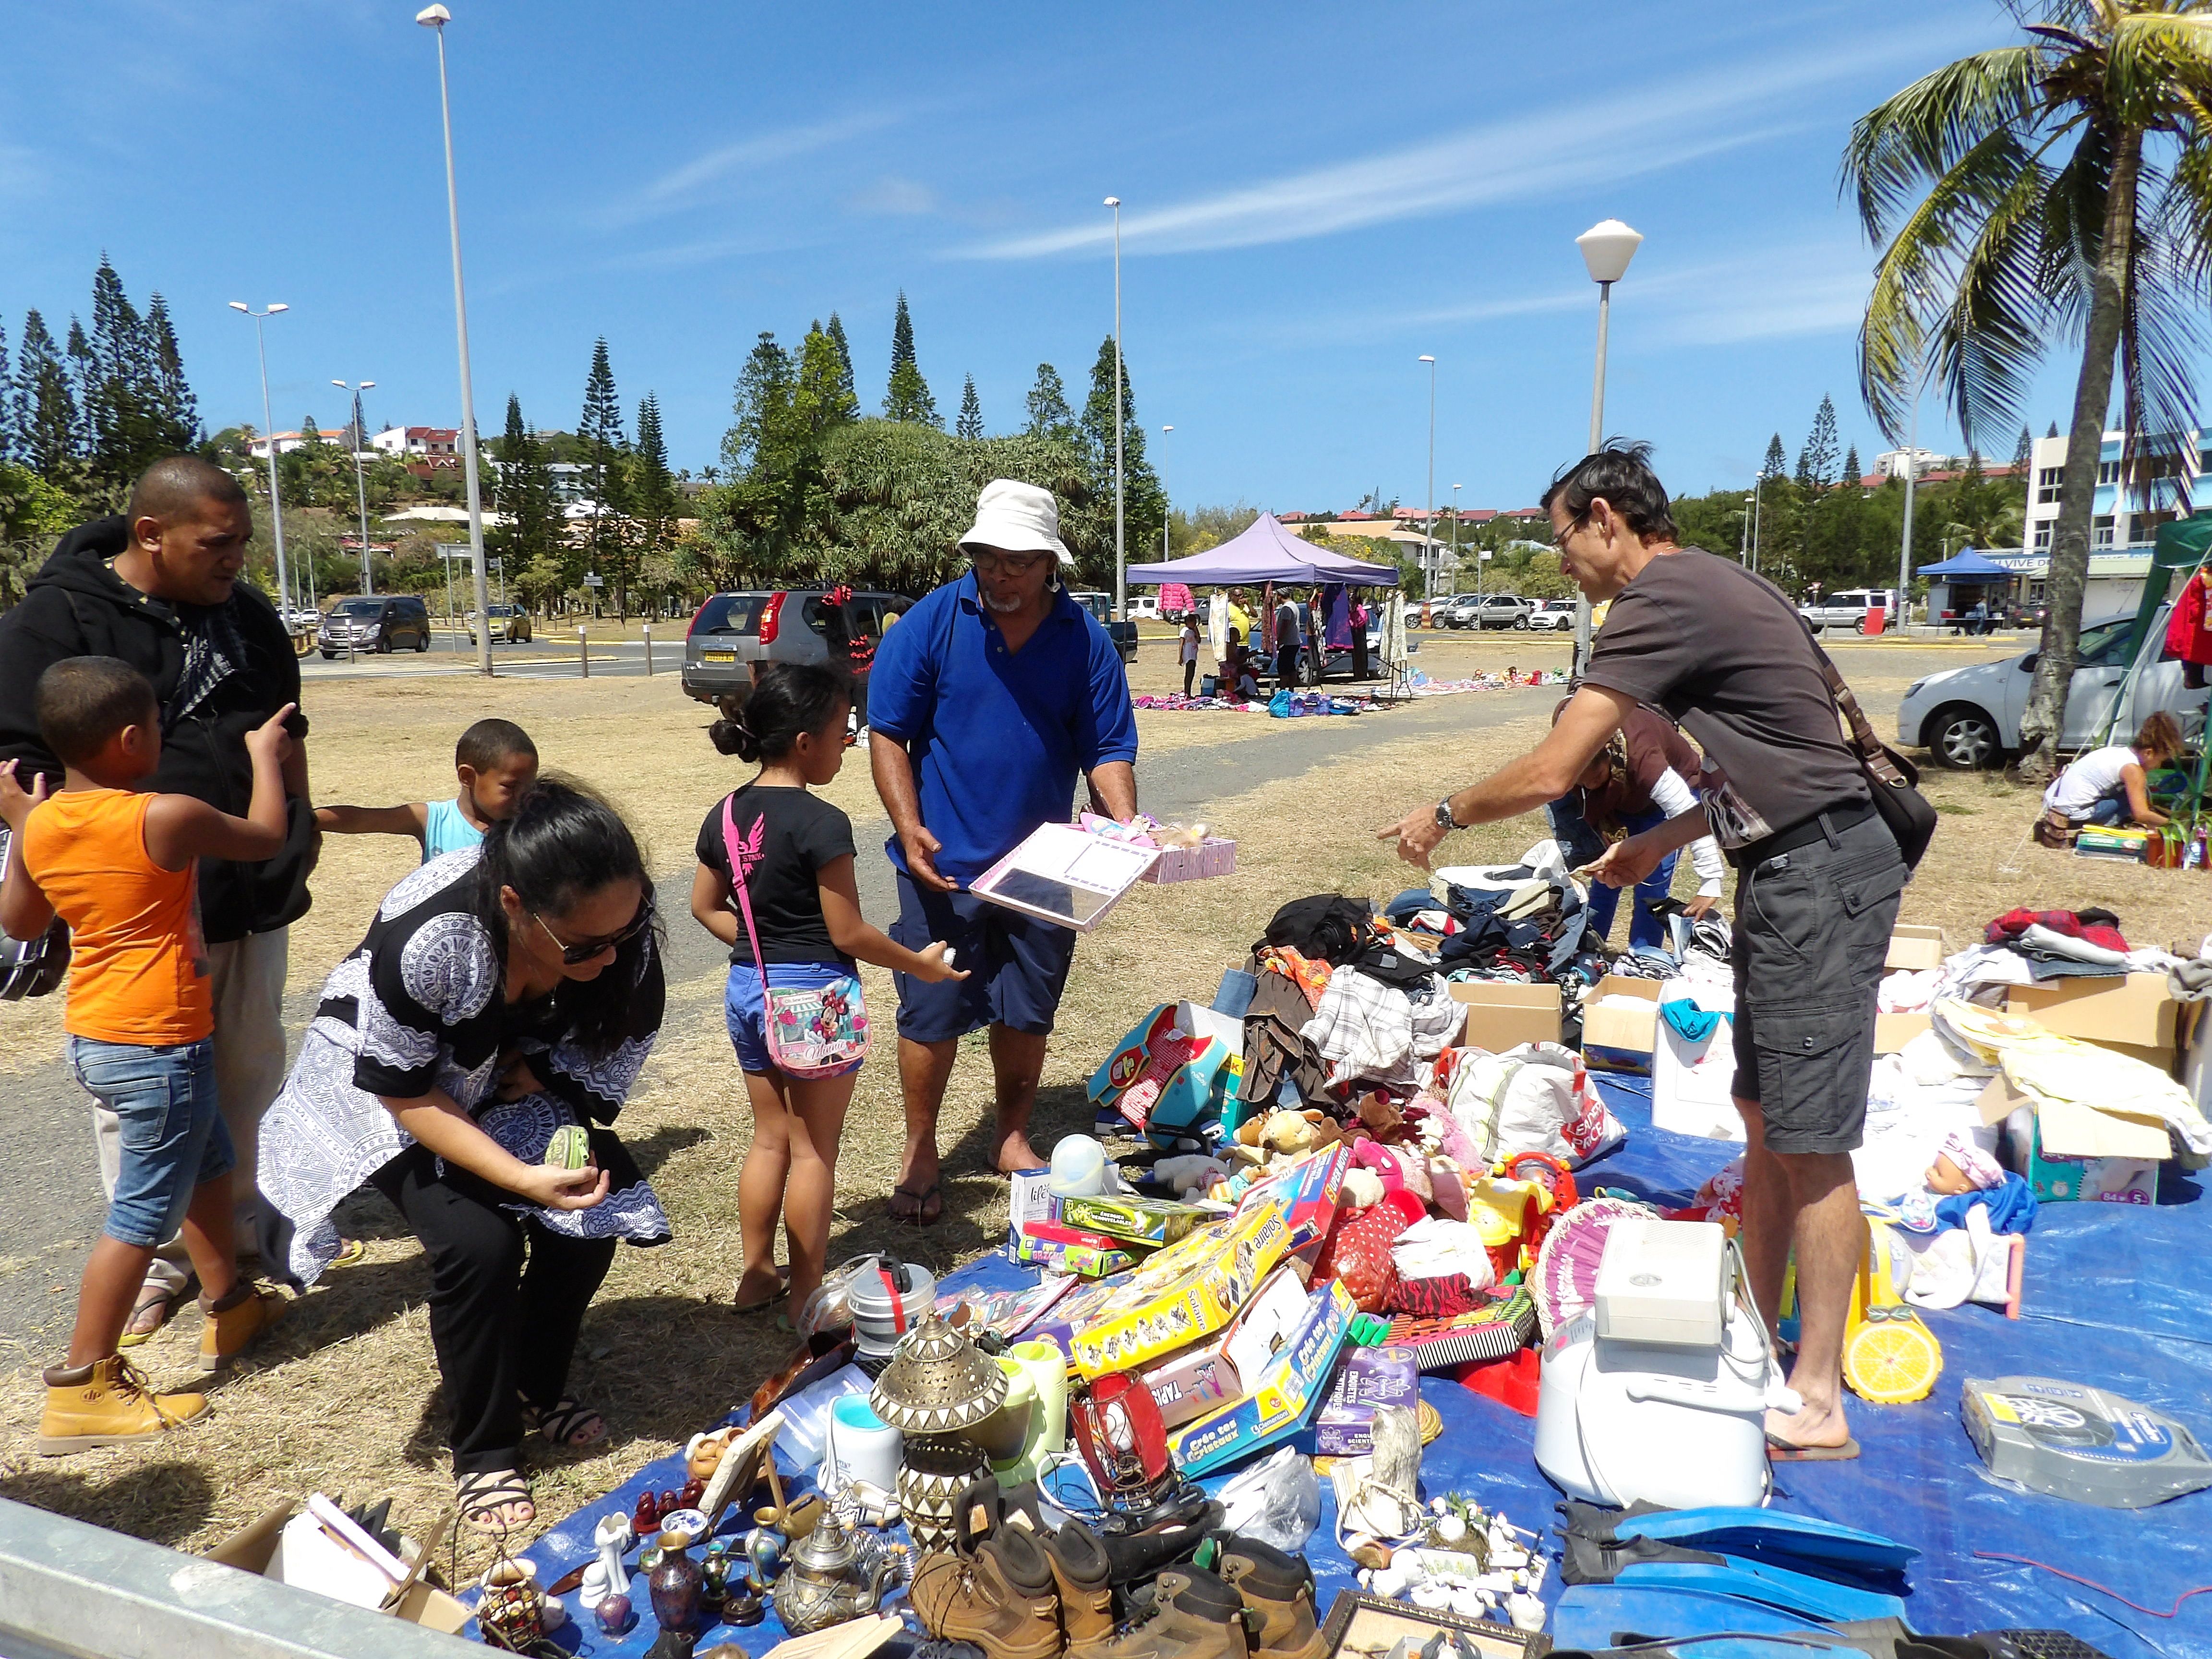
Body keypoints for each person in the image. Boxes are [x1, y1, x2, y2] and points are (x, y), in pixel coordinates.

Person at [1376, 442, 1905, 1461]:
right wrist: (1660, 843)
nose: (1562, 561)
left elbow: (1550, 768)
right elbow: (1774, 762)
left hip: (1820, 872)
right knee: (1763, 1114)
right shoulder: (1715, 583)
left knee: (1812, 1137)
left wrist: (1442, 813)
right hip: (1796, 862)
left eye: (1564, 537)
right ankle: (1754, 1326)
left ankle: (1819, 1394)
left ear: (1608, 519)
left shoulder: (1659, 599)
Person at [256, 779, 672, 1531]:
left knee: (590, 1211)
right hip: (383, 1085)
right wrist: (518, 1177)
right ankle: (485, 1452)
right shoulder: (432, 938)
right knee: (478, 1244)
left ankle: (536, 1386)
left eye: (626, 929)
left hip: (490, 1070)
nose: (613, 957)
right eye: (584, 946)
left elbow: (612, 1033)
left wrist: (540, 1074)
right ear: (516, 905)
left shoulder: (616, 923)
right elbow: (405, 1092)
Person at [0, 456, 322, 1346]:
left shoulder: (248, 614)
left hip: (249, 896)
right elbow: (20, 763)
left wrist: (294, 834)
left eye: (244, 545)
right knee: (144, 1106)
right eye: (218, 545)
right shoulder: (58, 617)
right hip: (134, 919)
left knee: (245, 1077)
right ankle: (157, 1265)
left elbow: (283, 732)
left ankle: (240, 1249)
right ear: (151, 535)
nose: (236, 563)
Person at [1, 661, 291, 1453]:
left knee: (208, 1161)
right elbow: (264, 836)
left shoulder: (47, 822)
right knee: (138, 1216)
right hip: (159, 1042)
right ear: (134, 739)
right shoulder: (162, 817)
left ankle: (229, 1306)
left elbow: (22, 919)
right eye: (159, 727)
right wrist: (264, 756)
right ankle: (81, 1386)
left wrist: (25, 827)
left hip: (99, 1036)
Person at [867, 479, 1139, 1226]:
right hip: (943, 864)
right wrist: (909, 820)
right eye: (988, 559)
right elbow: (888, 730)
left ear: (1050, 563)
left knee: (1030, 1009)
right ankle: (921, 1151)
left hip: (1049, 868)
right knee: (931, 1010)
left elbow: (1109, 747)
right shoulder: (930, 622)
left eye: (1018, 562)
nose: (1001, 575)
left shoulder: (1083, 639)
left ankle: (1012, 1138)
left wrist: (1124, 827)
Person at [690, 664, 967, 1319]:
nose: (848, 742)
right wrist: (919, 965)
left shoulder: (725, 812)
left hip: (747, 988)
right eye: (842, 731)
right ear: (805, 742)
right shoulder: (822, 820)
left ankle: (758, 1275)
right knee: (815, 1149)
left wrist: (762, 943)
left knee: (769, 1140)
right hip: (813, 999)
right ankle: (809, 1298)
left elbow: (705, 907)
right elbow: (847, 930)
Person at [1546, 699, 1726, 948]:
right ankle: (1588, 947)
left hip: (1666, 803)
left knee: (1651, 885)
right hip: (1620, 801)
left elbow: (1689, 814)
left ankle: (1644, 955)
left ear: (1610, 755)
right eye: (1581, 782)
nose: (1590, 787)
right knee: (1606, 876)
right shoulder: (1566, 741)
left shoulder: (1643, 757)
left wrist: (1711, 880)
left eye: (1596, 777)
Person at [314, 718, 538, 861]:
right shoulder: (434, 821)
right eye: (510, 787)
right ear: (468, 777)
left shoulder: (532, 827)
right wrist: (311, 820)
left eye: (529, 788)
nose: (522, 798)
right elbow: (362, 820)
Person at [2039, 712, 2180, 832]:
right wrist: (2173, 824)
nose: (2159, 766)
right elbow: (2141, 814)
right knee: (2130, 798)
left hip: (2051, 805)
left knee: (2131, 794)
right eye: (2160, 760)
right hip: (2071, 816)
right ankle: (2108, 825)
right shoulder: (2133, 770)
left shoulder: (2115, 752)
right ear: (2149, 753)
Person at [1274, 591, 1302, 692]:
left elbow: (1285, 625)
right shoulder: (1294, 606)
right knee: (1291, 666)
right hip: (1294, 641)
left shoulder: (1287, 608)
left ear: (1280, 596)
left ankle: (1283, 689)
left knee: (1283, 667)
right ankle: (1291, 689)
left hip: (1287, 642)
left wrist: (1279, 640)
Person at [1180, 614, 1202, 697]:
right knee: (1189, 673)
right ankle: (1187, 692)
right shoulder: (1184, 631)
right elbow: (1181, 644)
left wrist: (1196, 630)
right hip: (1188, 655)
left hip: (1193, 655)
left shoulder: (1193, 631)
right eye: (1193, 622)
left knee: (1192, 673)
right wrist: (1180, 657)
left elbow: (1199, 640)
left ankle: (1189, 692)